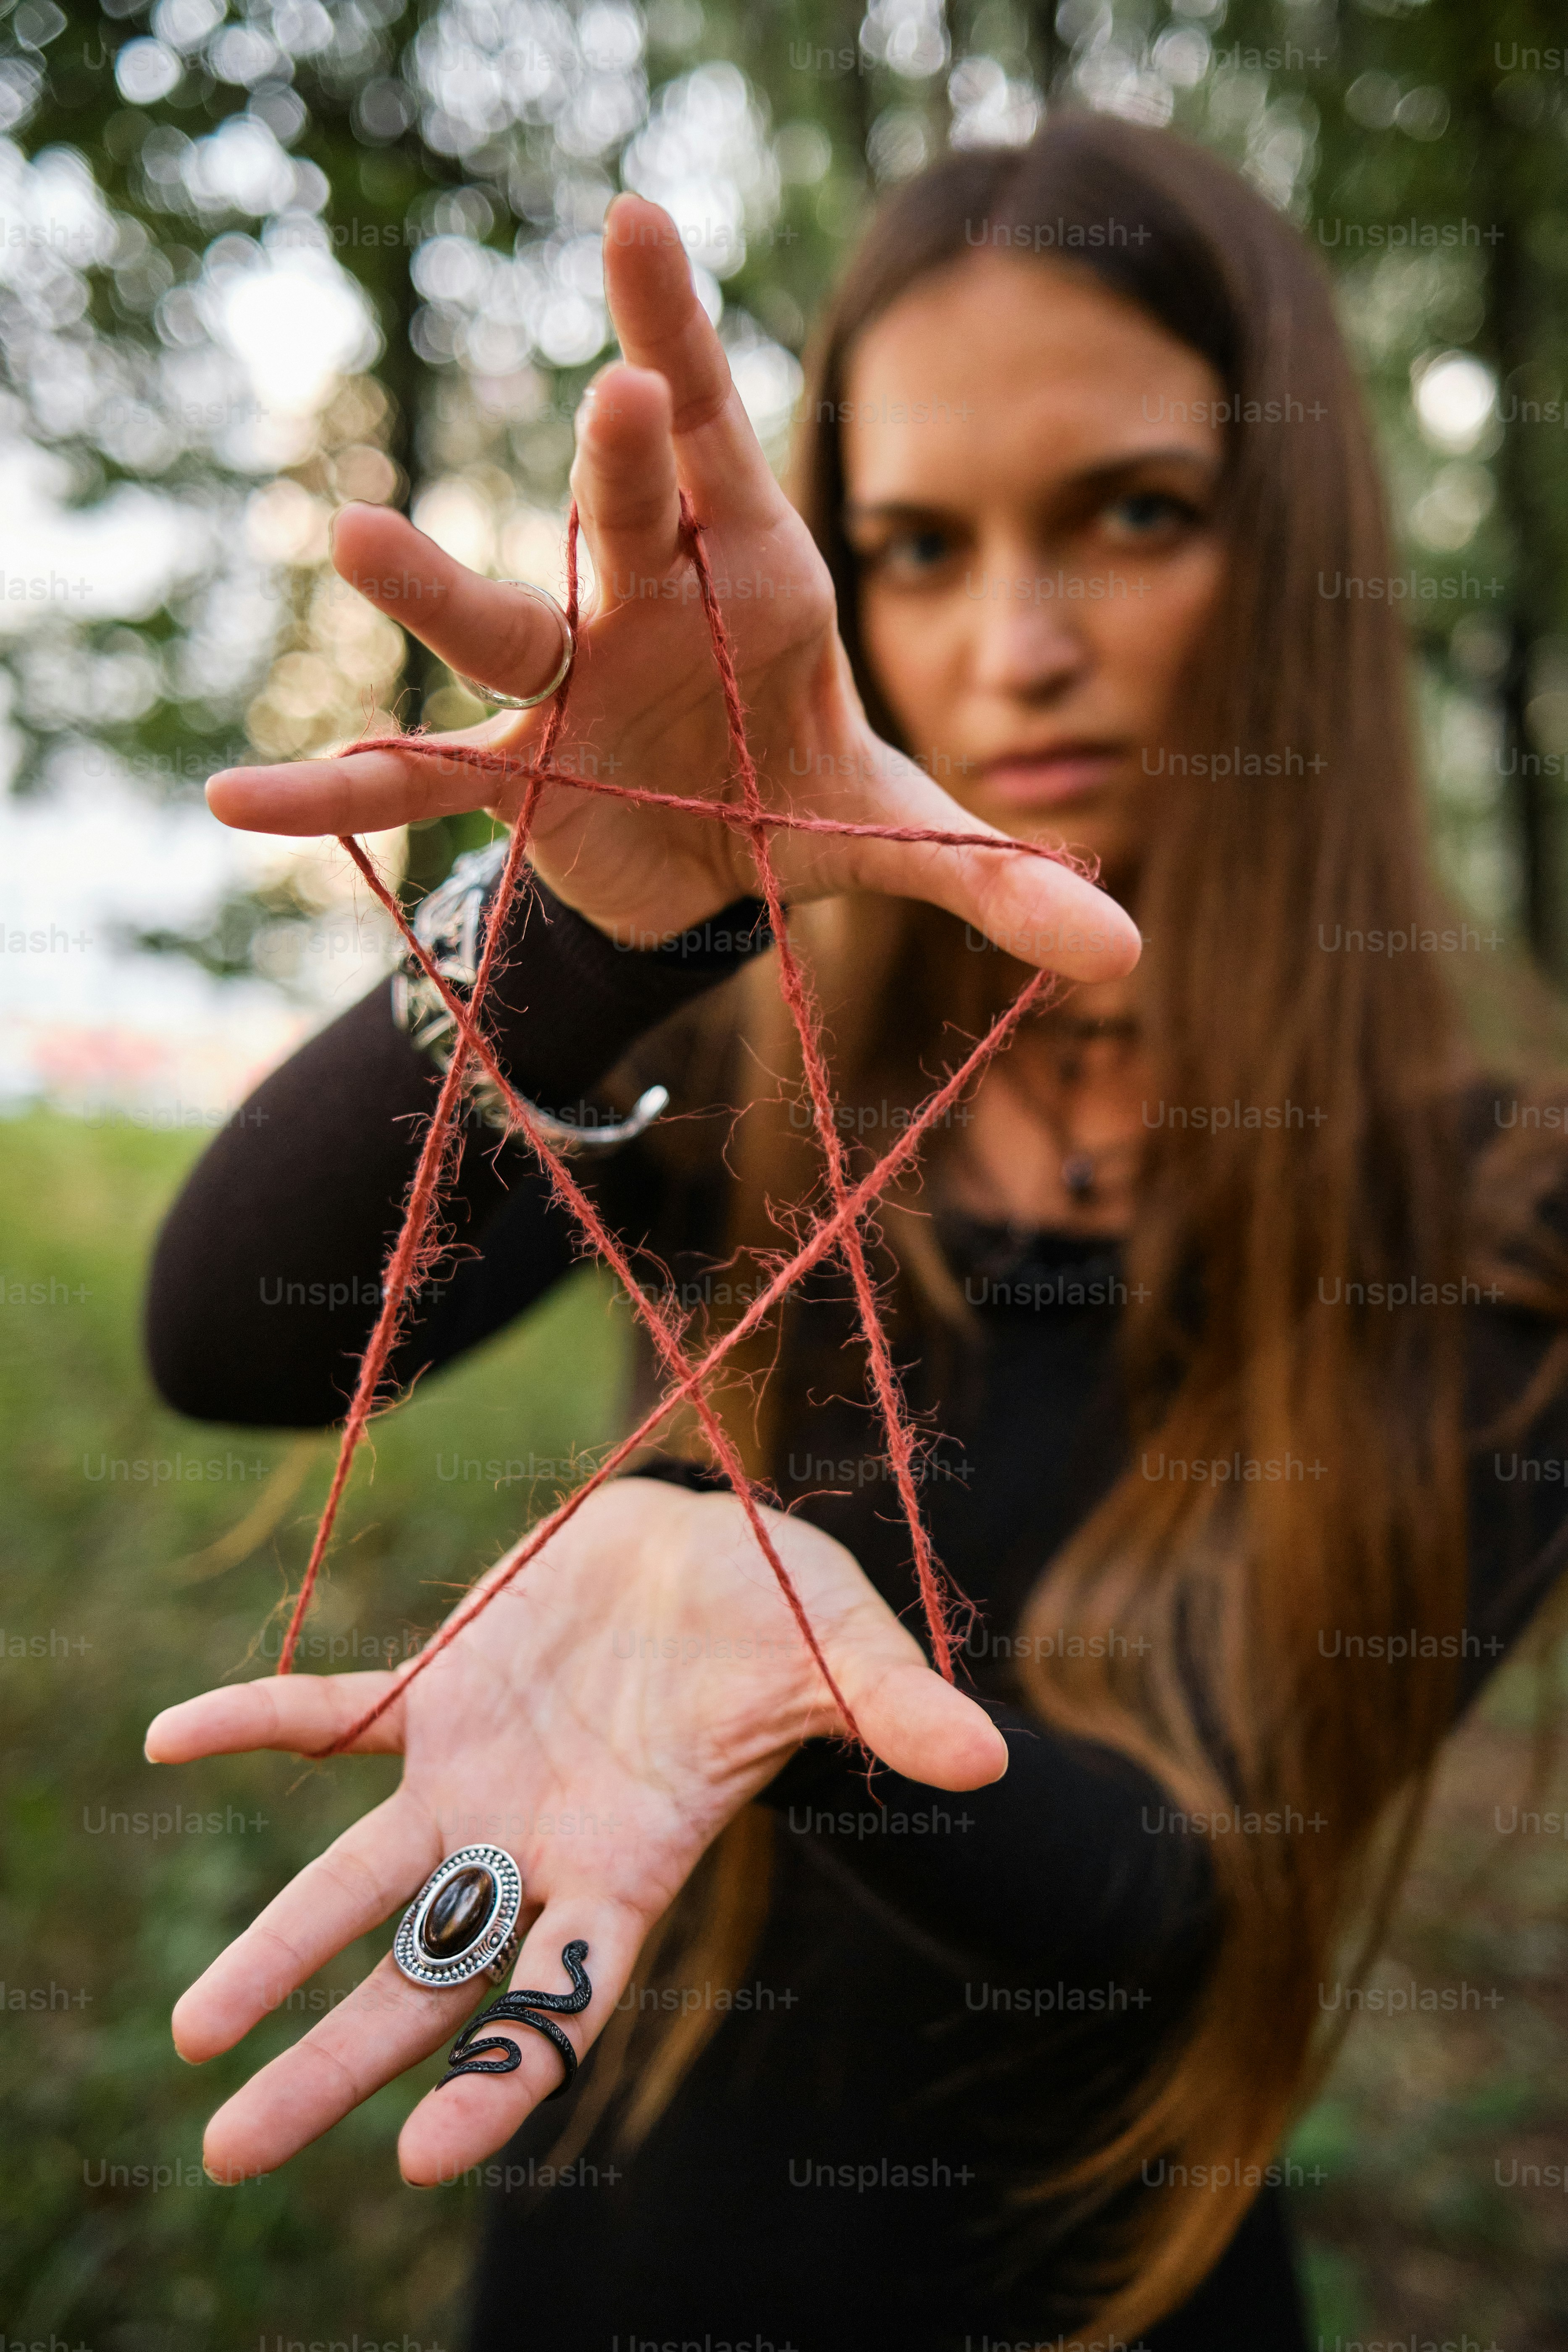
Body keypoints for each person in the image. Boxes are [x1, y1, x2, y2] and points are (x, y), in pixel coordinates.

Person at [141, 114, 1568, 2349]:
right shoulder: (743, 1058)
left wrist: (801, 1675)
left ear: (1297, 556)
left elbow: (1181, 1898)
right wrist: (603, 915)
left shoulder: (1498, 1213)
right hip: (613, 2263)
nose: (1017, 643)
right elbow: (232, 1333)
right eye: (913, 543)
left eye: (1132, 512)